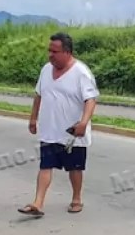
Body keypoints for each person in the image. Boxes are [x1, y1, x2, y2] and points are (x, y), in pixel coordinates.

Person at [18, 33, 99, 217]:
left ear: (67, 52)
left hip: (72, 132)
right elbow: (38, 95)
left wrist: (84, 122)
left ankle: (76, 198)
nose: (50, 55)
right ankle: (38, 203)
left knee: (75, 168)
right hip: (50, 129)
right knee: (45, 165)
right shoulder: (46, 70)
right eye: (49, 50)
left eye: (55, 51)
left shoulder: (81, 72)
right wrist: (33, 118)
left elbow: (91, 100)